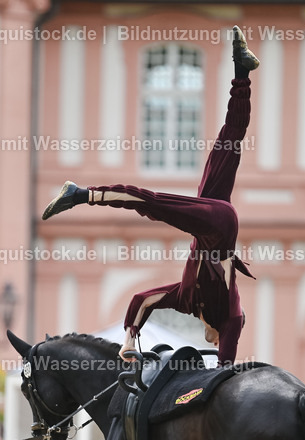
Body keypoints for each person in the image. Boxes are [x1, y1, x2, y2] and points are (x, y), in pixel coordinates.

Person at [41, 26, 260, 366]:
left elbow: (143, 299)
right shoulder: (230, 316)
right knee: (155, 200)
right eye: (216, 338)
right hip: (218, 227)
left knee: (228, 143)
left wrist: (129, 341)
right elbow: (226, 367)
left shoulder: (186, 301)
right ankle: (82, 194)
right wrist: (223, 358)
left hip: (210, 222)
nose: (212, 339)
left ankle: (241, 71)